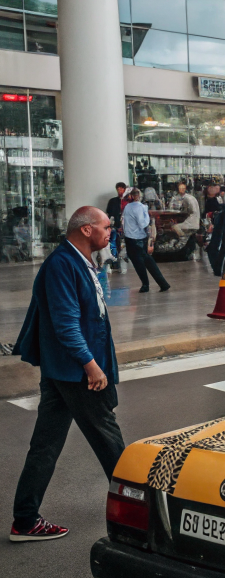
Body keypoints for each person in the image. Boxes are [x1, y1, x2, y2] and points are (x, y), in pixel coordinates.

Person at [10, 206, 125, 542]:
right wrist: (91, 365)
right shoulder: (62, 264)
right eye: (106, 226)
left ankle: (25, 521)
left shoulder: (80, 261)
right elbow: (65, 324)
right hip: (77, 373)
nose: (110, 231)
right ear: (86, 229)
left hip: (64, 371)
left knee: (45, 445)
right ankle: (143, 514)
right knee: (111, 444)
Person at [122, 189, 169, 293]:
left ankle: (147, 284)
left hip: (130, 238)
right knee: (147, 261)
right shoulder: (141, 208)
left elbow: (127, 222)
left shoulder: (127, 207)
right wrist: (148, 217)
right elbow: (143, 224)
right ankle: (161, 283)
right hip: (139, 238)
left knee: (139, 263)